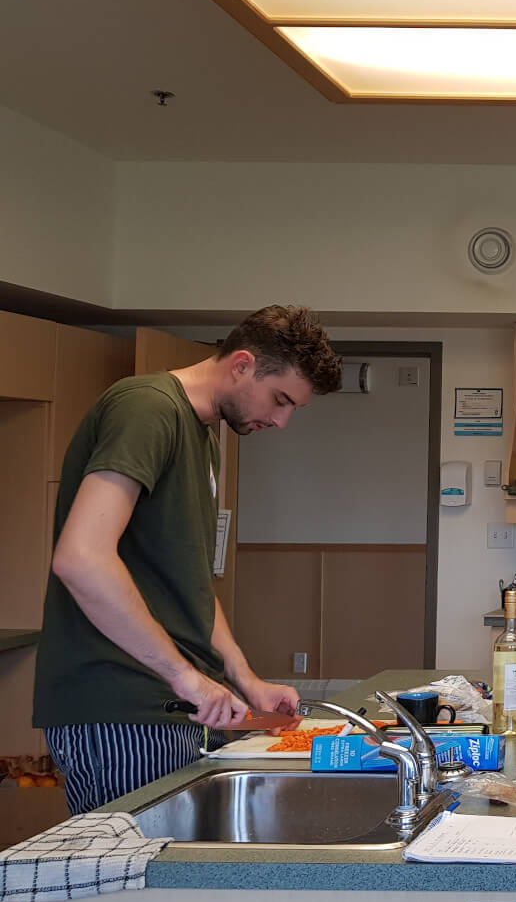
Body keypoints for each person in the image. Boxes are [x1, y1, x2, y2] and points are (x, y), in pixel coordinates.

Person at [34, 305, 344, 814]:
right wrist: (184, 676)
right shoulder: (147, 409)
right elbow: (82, 558)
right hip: (123, 708)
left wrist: (244, 678)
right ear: (242, 364)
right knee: (132, 863)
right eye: (280, 399)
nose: (281, 421)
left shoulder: (202, 435)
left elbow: (189, 582)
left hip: (179, 709)